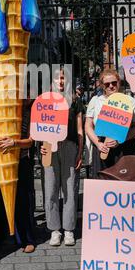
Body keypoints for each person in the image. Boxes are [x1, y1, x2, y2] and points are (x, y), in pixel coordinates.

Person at [0, 97, 36, 253]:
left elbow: (31, 141)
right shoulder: (0, 108)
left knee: (22, 200)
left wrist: (14, 143)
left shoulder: (31, 111)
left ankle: (26, 239)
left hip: (21, 160)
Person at [41, 67, 84, 247]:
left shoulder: (75, 101)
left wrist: (80, 152)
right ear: (52, 81)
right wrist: (42, 147)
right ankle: (54, 230)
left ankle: (68, 230)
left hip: (70, 146)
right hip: (50, 146)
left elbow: (80, 130)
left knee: (70, 190)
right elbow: (39, 127)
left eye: (63, 78)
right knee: (50, 189)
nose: (60, 81)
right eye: (57, 78)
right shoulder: (44, 101)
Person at [85, 69, 135, 178]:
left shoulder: (130, 101)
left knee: (124, 181)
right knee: (102, 181)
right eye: (107, 84)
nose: (111, 86)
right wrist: (98, 144)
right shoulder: (95, 100)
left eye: (114, 83)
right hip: (101, 145)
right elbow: (88, 126)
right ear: (102, 85)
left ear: (119, 82)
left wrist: (122, 139)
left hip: (124, 146)